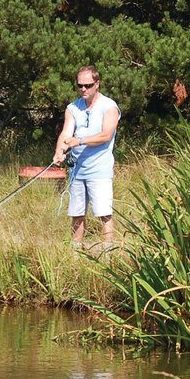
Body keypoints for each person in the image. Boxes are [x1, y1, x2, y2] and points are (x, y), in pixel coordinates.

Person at [52, 65, 121, 249]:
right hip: (77, 171)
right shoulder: (73, 108)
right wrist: (59, 151)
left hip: (99, 171)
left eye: (88, 85)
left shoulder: (109, 107)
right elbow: (66, 133)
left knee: (104, 213)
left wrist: (79, 141)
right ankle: (75, 252)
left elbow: (106, 135)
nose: (83, 89)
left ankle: (108, 253)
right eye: (80, 85)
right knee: (77, 213)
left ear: (97, 84)